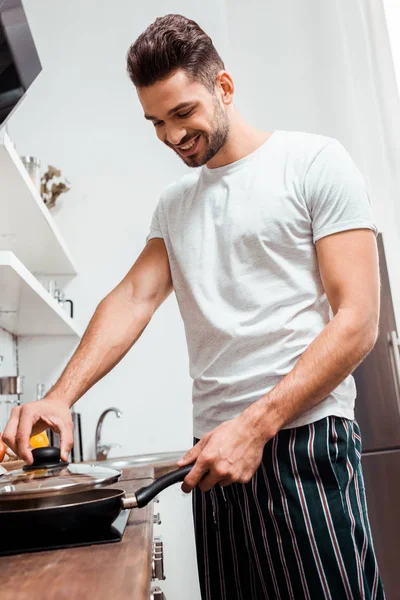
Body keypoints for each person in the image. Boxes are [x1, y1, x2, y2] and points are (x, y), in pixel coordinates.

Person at [3, 13, 385, 600]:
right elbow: (133, 298)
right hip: (213, 459)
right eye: (156, 122)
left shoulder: (313, 163)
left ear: (223, 88)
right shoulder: (175, 205)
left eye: (183, 114)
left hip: (304, 440)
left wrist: (255, 425)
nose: (172, 136)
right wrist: (59, 395)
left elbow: (358, 320)